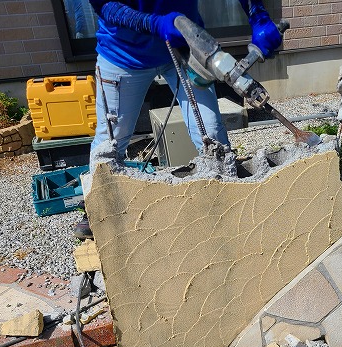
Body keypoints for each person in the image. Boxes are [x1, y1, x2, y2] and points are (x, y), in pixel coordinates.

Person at [74, 0, 282, 240]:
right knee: (110, 142)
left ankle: (229, 202)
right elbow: (106, 6)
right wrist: (154, 23)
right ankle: (97, 209)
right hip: (124, 54)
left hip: (186, 46)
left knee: (212, 134)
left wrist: (257, 15)